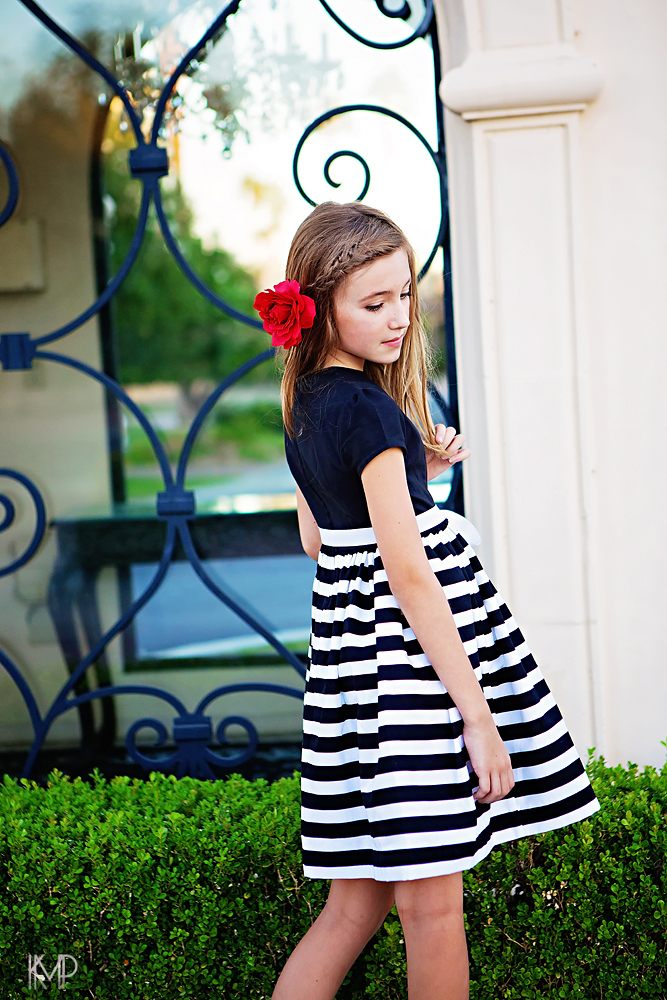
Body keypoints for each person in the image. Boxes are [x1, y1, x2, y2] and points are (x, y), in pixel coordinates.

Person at [253, 202, 600, 1000]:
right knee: (433, 908)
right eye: (374, 303)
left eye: (405, 295)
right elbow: (410, 576)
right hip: (409, 681)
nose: (399, 318)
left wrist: (415, 479)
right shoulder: (369, 411)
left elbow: (320, 539)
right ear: (318, 307)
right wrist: (478, 717)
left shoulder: (306, 402)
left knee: (354, 906)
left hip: (356, 678)